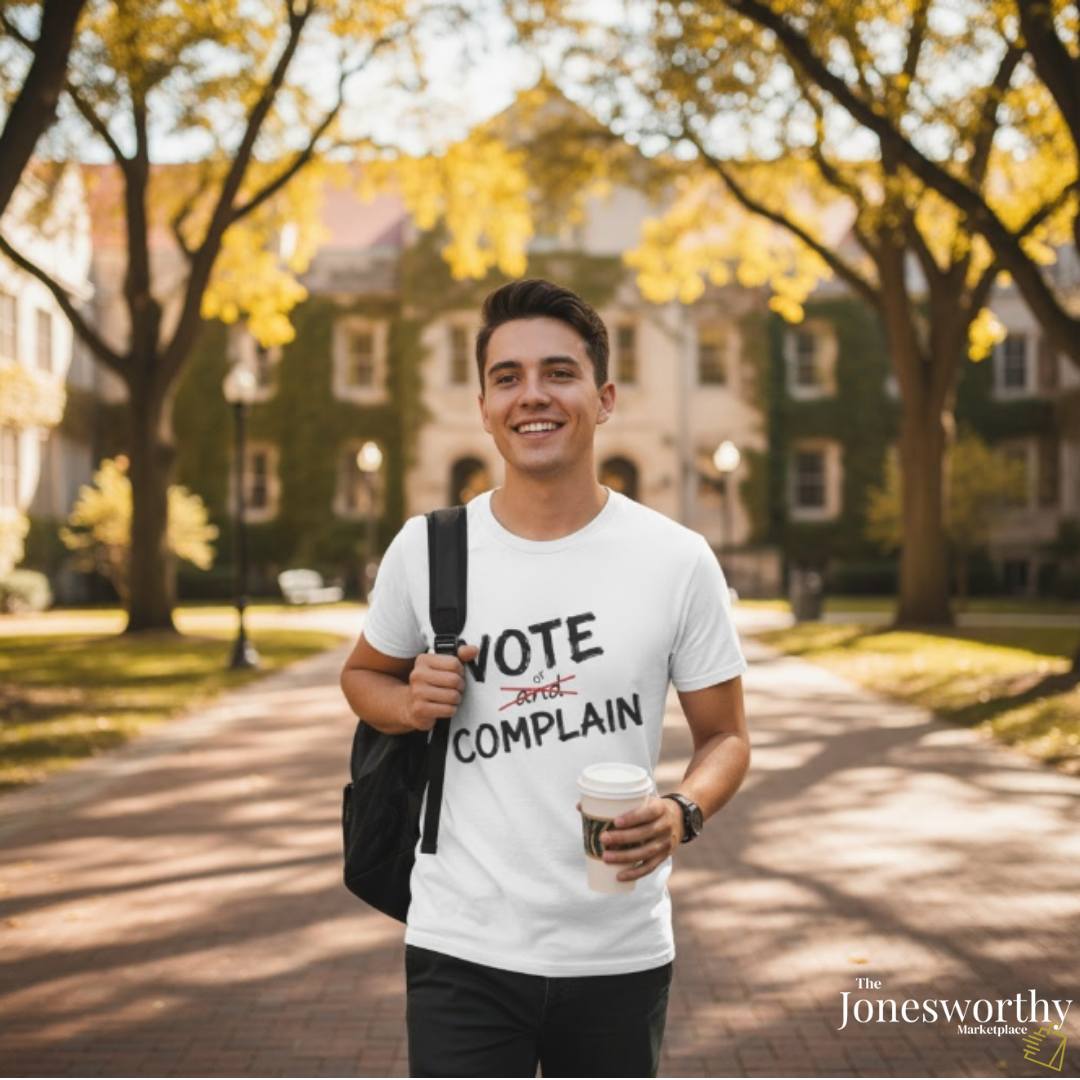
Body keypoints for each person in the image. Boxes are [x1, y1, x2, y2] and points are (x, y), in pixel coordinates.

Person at [340, 278, 750, 1078]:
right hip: (462, 943)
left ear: (603, 399)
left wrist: (683, 810)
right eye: (508, 377)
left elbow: (727, 736)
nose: (534, 395)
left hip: (619, 949)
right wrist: (406, 702)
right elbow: (363, 677)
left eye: (559, 373)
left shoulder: (676, 559)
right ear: (485, 406)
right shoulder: (427, 550)